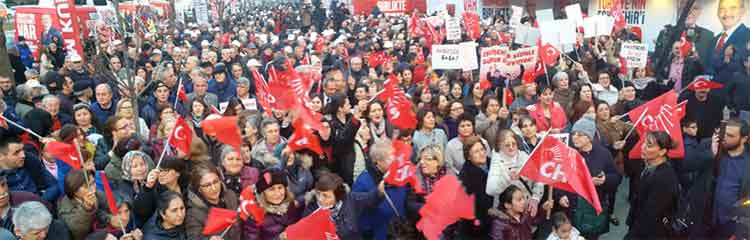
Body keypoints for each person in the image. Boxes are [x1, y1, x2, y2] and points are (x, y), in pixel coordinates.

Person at [352, 139, 416, 240]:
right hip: (380, 233)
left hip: (400, 232)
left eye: (395, 156)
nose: (395, 160)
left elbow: (407, 199)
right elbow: (358, 212)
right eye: (390, 158)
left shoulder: (399, 173)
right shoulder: (363, 182)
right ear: (377, 162)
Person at [569, 116, 621, 239]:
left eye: (580, 134)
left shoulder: (603, 153)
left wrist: (605, 179)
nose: (575, 137)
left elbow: (616, 177)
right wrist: (562, 196)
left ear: (589, 137)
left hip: (595, 207)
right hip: (574, 209)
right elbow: (563, 181)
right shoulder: (570, 154)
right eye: (573, 133)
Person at [625, 131, 680, 239]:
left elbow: (650, 215)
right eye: (644, 143)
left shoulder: (665, 178)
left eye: (649, 145)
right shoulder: (647, 165)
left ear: (662, 151)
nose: (643, 147)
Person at [302, 172, 383, 239]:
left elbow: (371, 198)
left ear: (338, 196)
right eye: (318, 193)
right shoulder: (311, 211)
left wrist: (379, 191)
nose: (320, 199)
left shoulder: (351, 199)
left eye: (325, 196)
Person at [486, 130, 544, 213]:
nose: (511, 147)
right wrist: (508, 177)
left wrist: (535, 198)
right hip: (508, 212)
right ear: (500, 146)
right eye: (507, 145)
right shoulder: (497, 161)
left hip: (527, 208)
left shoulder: (524, 156)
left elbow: (539, 178)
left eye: (513, 144)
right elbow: (490, 190)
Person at [711, 118, 750, 238]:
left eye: (730, 136)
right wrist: (712, 156)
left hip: (732, 224)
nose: (725, 138)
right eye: (724, 134)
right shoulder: (717, 153)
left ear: (744, 139)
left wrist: (739, 232)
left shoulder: (747, 165)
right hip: (711, 218)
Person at [243, 169, 304, 239]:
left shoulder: (290, 205)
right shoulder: (254, 216)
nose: (277, 193)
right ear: (263, 193)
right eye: (271, 189)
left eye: (280, 188)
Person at [184, 165, 241, 240]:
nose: (214, 188)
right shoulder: (193, 214)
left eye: (216, 182)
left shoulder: (230, 196)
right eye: (207, 185)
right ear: (199, 189)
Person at [458, 136, 493, 238]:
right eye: (476, 152)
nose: (481, 153)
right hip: (477, 227)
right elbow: (479, 205)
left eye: (482, 149)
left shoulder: (493, 163)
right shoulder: (466, 177)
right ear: (469, 157)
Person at [489, 185, 553, 240]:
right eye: (519, 200)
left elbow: (535, 220)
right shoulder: (499, 224)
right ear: (507, 205)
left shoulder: (525, 215)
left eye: (523, 198)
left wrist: (543, 209)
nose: (523, 202)